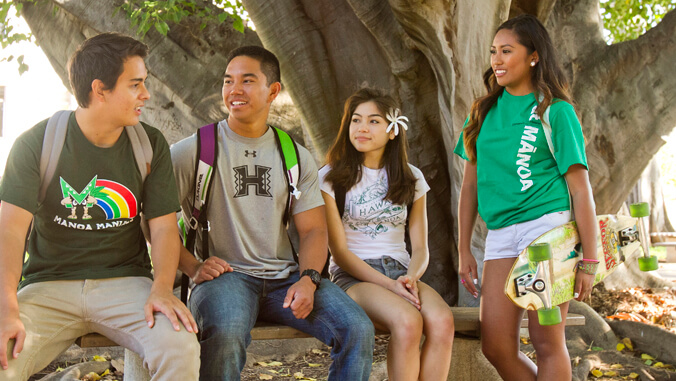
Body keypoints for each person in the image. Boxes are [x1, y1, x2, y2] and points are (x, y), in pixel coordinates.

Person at [0, 33, 199, 381]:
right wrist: (6, 307)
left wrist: (162, 289)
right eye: (135, 84)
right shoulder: (36, 143)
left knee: (179, 346)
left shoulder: (149, 145)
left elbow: (164, 228)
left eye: (145, 83)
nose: (146, 94)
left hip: (126, 283)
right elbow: (10, 232)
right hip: (48, 285)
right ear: (100, 89)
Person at [171, 45, 374, 381]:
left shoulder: (293, 154)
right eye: (228, 81)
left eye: (247, 81)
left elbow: (313, 231)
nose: (234, 90)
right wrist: (192, 266)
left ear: (273, 91)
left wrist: (309, 280)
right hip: (224, 279)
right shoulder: (194, 150)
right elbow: (154, 220)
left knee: (357, 328)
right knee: (226, 331)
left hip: (286, 278)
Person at [454, 14, 597, 381]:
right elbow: (469, 186)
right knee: (496, 345)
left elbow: (580, 189)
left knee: (546, 341)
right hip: (501, 235)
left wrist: (590, 259)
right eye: (493, 52)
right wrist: (464, 249)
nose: (496, 60)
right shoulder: (483, 112)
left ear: (533, 56)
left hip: (547, 234)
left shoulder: (555, 111)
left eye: (506, 51)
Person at [319, 88, 455, 380]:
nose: (362, 128)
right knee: (407, 322)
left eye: (373, 121)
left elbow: (420, 247)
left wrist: (411, 278)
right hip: (353, 276)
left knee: (443, 321)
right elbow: (339, 253)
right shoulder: (330, 178)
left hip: (401, 272)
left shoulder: (411, 178)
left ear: (393, 131)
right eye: (356, 120)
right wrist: (389, 285)